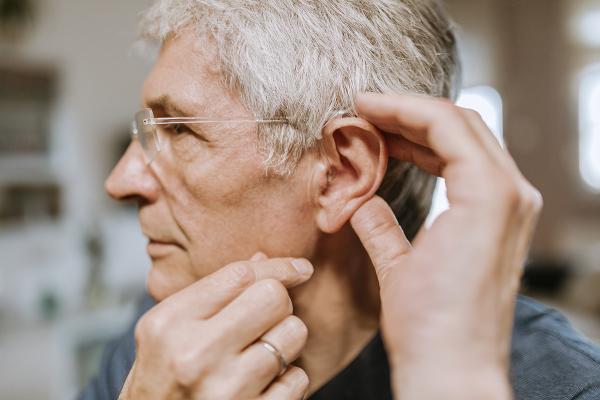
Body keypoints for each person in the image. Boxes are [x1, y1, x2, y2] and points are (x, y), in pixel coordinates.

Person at [80, 0, 600, 399]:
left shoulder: (562, 386)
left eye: (180, 130)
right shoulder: (167, 337)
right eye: (145, 131)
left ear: (340, 173)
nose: (121, 180)